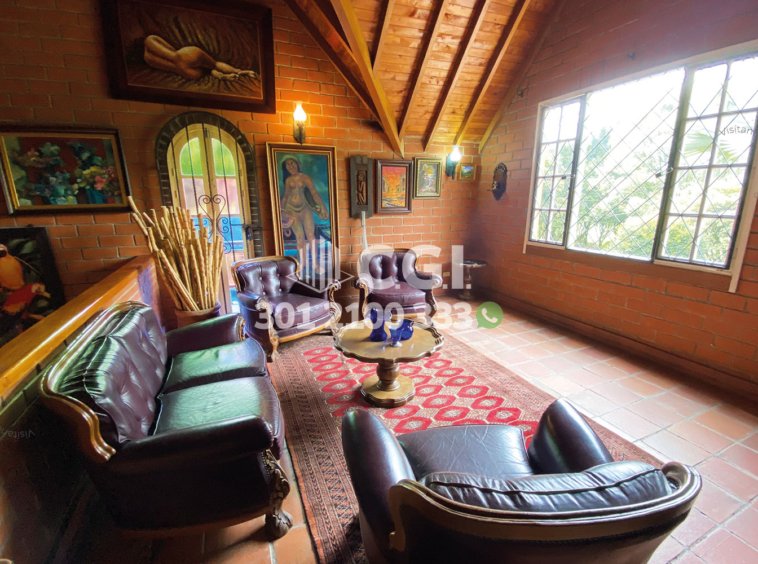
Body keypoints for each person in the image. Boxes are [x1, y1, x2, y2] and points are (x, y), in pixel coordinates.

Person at [280, 158, 329, 273]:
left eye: (292, 163)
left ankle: (316, 265)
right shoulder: (288, 180)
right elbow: (286, 196)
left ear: (297, 164)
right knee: (299, 237)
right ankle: (302, 264)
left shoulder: (305, 178)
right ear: (286, 168)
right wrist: (281, 211)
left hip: (305, 209)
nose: (291, 166)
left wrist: (322, 207)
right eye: (288, 165)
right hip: (291, 210)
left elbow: (314, 193)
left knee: (311, 236)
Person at [143, 35, 259, 81]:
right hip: (187, 59)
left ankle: (227, 75)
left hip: (187, 72)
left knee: (209, 69)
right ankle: (238, 71)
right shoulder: (150, 42)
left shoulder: (148, 58)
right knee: (213, 65)